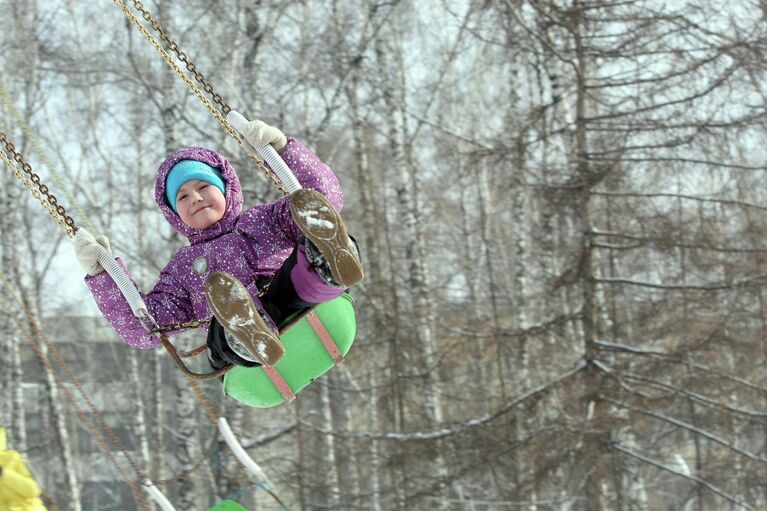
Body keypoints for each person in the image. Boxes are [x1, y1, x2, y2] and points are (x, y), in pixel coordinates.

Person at [74, 120, 363, 369]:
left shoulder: (264, 220)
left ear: (226, 188)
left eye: (203, 187)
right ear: (175, 215)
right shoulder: (182, 269)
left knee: (305, 250)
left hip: (290, 301)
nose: (196, 199)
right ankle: (246, 332)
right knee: (222, 321)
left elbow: (322, 199)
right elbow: (145, 328)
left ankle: (329, 262)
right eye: (183, 197)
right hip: (235, 344)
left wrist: (283, 150)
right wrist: (103, 275)